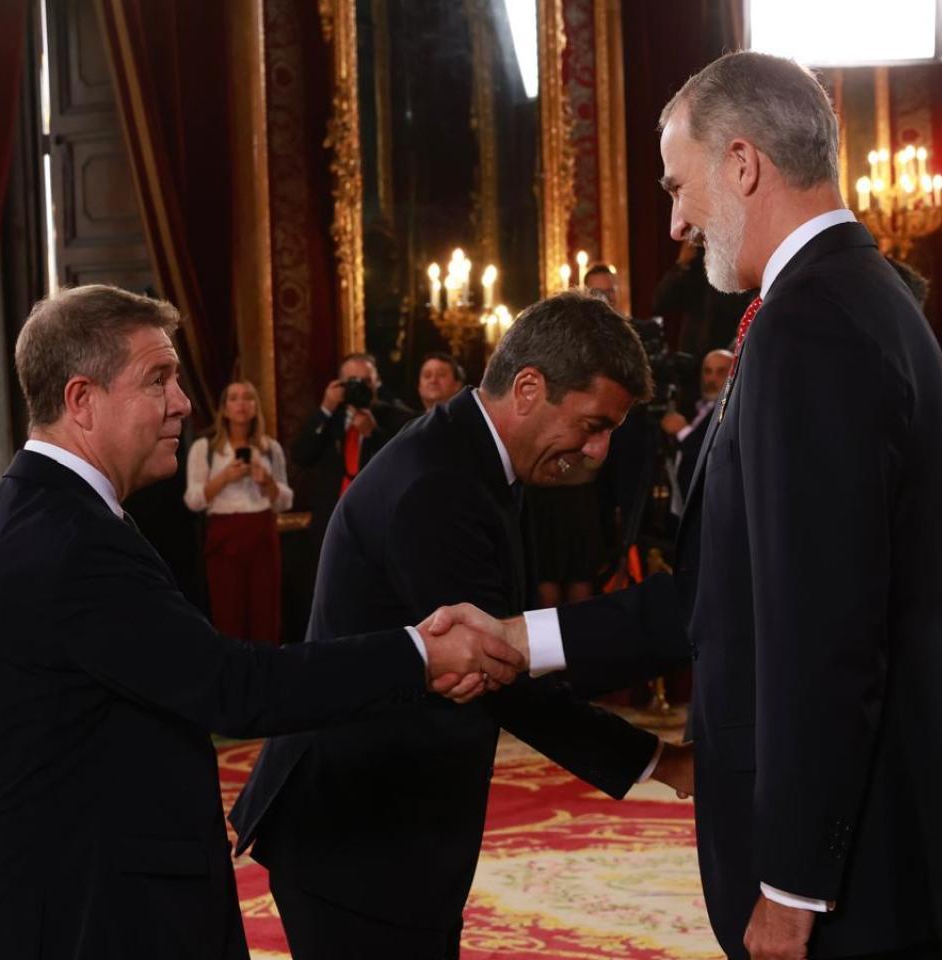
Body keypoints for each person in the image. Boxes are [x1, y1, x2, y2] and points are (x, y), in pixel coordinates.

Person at [431, 51, 942, 960]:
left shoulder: (810, 322)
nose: (674, 220)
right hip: (887, 827)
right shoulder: (866, 297)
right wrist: (520, 638)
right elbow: (730, 593)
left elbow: (828, 629)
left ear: (742, 163)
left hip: (853, 862)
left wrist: (793, 883)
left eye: (678, 184)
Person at [0, 285, 524, 960]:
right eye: (158, 379)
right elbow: (233, 687)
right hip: (79, 914)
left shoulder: (26, 513)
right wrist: (420, 653)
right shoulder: (69, 539)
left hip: (57, 898)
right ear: (80, 401)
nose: (183, 401)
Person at [227, 292, 694, 960]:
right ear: (529, 388)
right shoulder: (440, 485)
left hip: (389, 826)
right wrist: (660, 760)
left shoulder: (467, 455)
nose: (598, 450)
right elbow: (498, 669)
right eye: (593, 424)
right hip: (360, 833)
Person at [183, 379, 291, 644]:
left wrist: (266, 480)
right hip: (225, 535)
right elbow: (193, 500)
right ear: (224, 409)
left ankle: (268, 678)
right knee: (227, 615)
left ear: (255, 407)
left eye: (248, 398)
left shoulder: (270, 449)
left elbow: (285, 501)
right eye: (233, 398)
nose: (241, 404)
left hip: (262, 533)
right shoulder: (205, 449)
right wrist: (224, 478)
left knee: (266, 615)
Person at [290, 352, 415, 542]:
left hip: (379, 523)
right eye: (353, 381)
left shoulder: (397, 418)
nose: (360, 387)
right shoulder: (327, 419)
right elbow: (301, 455)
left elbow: (406, 466)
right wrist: (325, 409)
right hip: (332, 524)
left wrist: (373, 435)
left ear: (377, 383)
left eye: (366, 381)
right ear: (340, 385)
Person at [660, 347, 734, 514]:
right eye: (707, 371)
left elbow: (714, 454)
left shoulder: (731, 412)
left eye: (721, 372)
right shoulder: (700, 407)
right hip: (687, 502)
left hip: (708, 506)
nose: (712, 379)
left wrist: (682, 431)